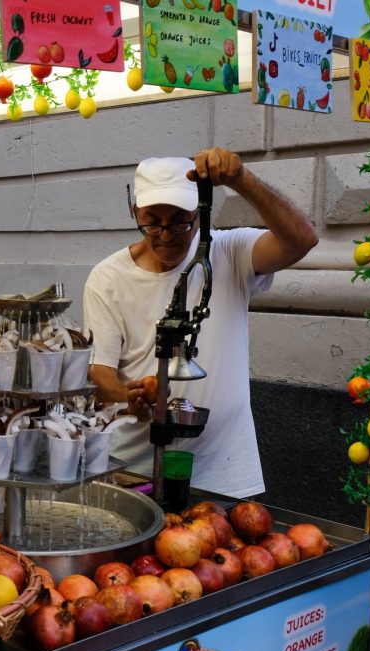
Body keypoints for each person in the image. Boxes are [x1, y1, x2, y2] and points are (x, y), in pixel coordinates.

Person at [83, 148, 318, 498]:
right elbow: (99, 372)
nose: (165, 234)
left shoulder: (229, 252)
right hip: (135, 474)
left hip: (223, 475)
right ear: (134, 212)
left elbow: (302, 240)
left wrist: (242, 180)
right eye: (152, 221)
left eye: (180, 220)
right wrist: (128, 395)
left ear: (199, 211)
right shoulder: (108, 278)